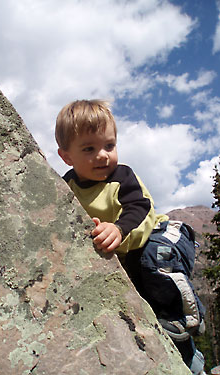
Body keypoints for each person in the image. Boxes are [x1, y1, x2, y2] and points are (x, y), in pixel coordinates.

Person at [55, 99, 206, 375]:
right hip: (129, 258)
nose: (103, 155)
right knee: (145, 301)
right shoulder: (67, 187)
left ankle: (185, 314)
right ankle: (189, 361)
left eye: (109, 146)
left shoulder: (122, 176)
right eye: (89, 148)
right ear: (66, 157)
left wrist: (118, 229)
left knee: (155, 259)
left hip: (161, 237)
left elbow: (139, 208)